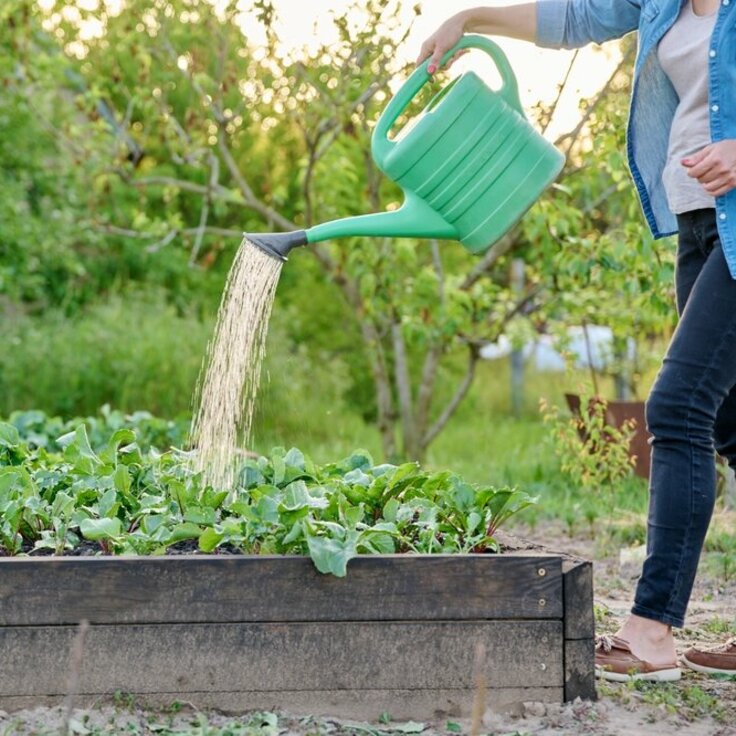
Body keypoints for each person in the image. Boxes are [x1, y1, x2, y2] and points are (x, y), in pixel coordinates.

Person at [418, 0, 736, 682]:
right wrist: (470, 18)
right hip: (699, 219)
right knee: (732, 424)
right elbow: (576, 17)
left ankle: (650, 632)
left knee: (679, 409)